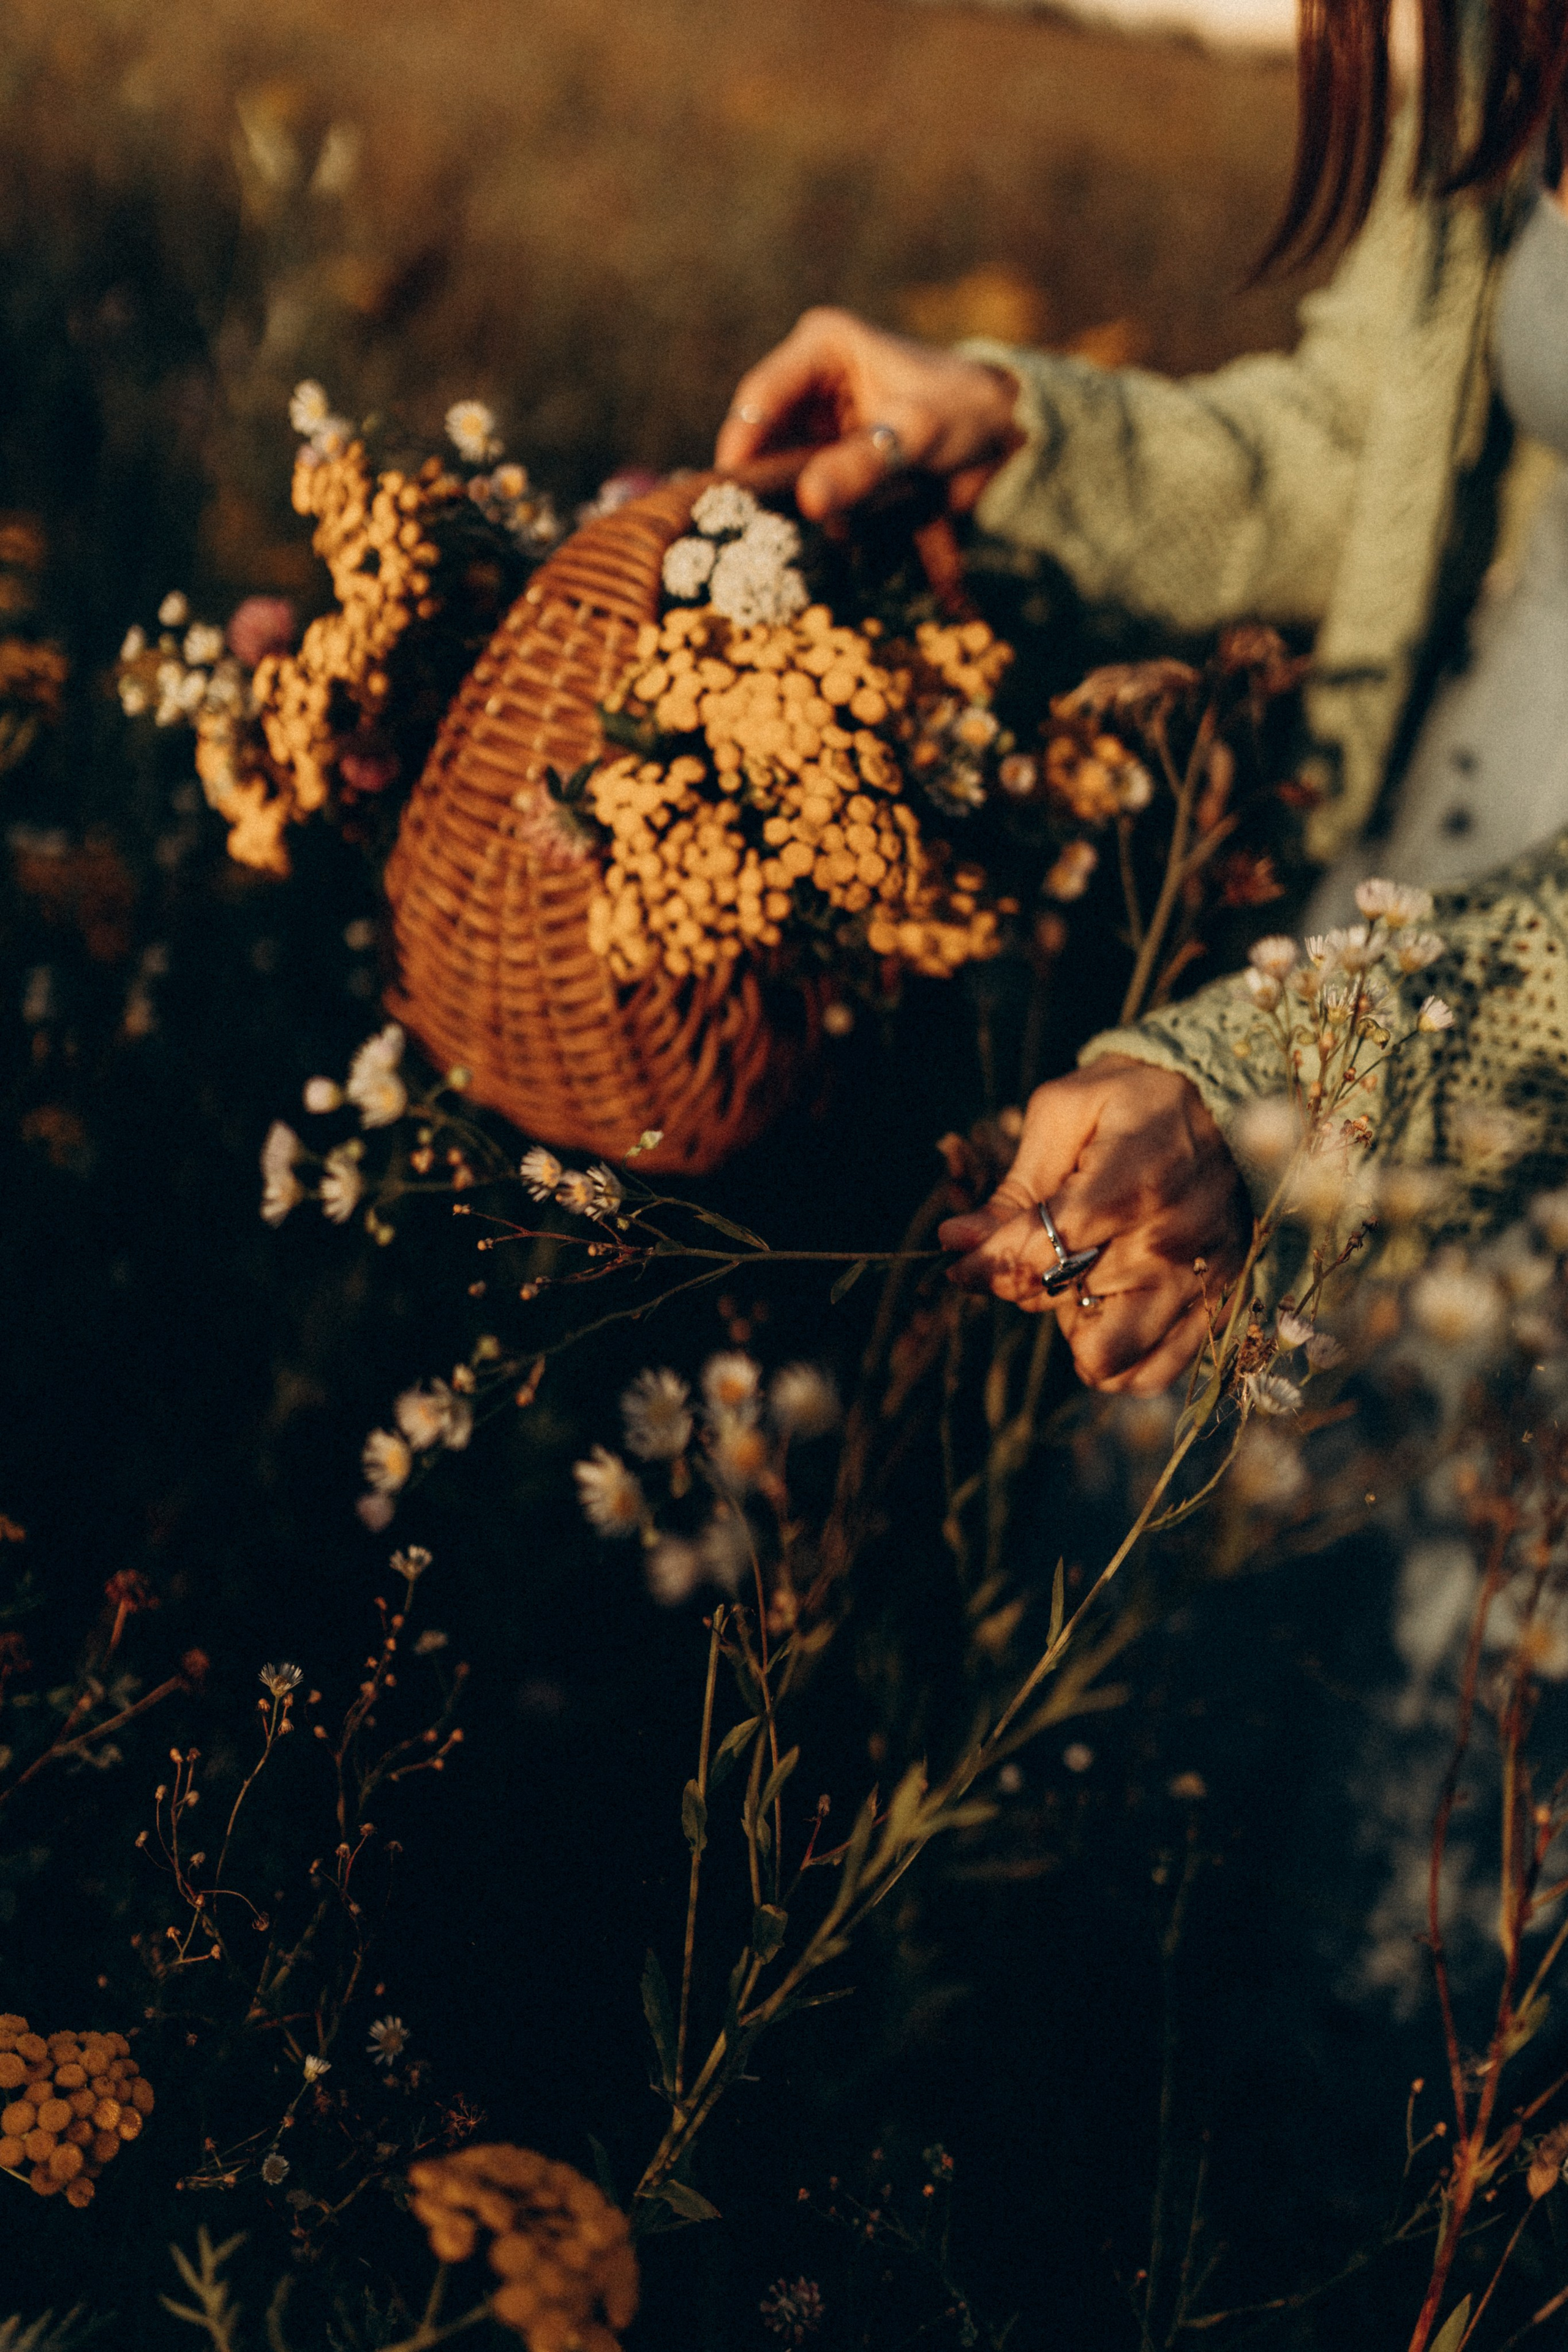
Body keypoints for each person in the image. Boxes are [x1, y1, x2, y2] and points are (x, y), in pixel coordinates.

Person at [715, 0, 1568, 1393]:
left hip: (1481, 1020)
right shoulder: (1498, 36)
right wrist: (1013, 439)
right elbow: (1367, 446)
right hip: (1400, 890)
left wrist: (1281, 1084)